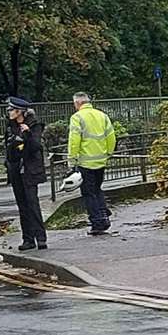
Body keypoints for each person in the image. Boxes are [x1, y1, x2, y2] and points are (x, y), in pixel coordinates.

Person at [67, 92, 116, 235]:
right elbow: (111, 136)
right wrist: (108, 153)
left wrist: (72, 159)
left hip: (85, 162)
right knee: (97, 189)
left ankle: (97, 222)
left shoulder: (77, 117)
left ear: (77, 103)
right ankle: (103, 216)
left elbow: (74, 140)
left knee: (88, 194)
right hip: (100, 161)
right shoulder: (102, 115)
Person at [3, 96, 47, 251]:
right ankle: (28, 239)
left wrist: (27, 134)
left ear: (20, 111)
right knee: (22, 206)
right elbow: (9, 150)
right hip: (16, 171)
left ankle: (41, 237)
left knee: (32, 204)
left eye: (11, 110)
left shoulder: (34, 125)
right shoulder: (10, 126)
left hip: (30, 170)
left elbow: (36, 147)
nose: (8, 112)